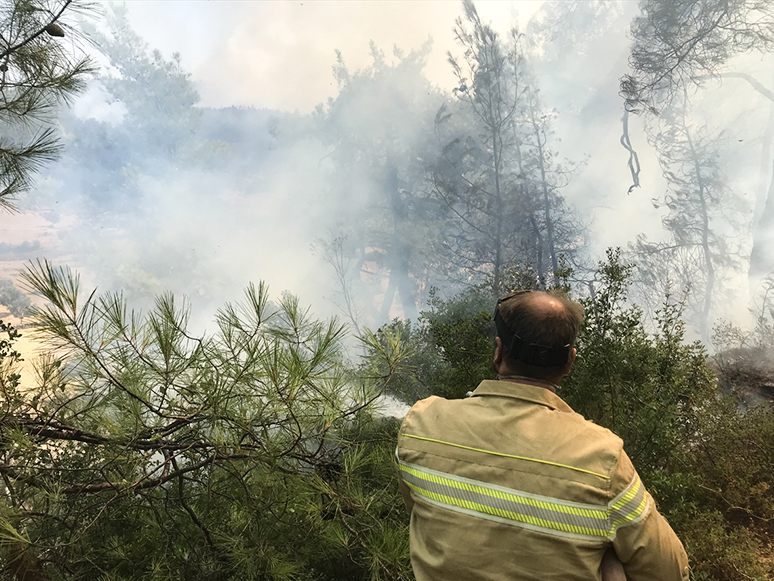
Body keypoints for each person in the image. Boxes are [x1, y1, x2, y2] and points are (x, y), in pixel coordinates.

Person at [395, 289, 689, 581]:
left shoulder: (421, 425)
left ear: (498, 353)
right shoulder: (603, 459)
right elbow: (670, 571)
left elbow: (416, 509)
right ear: (569, 363)